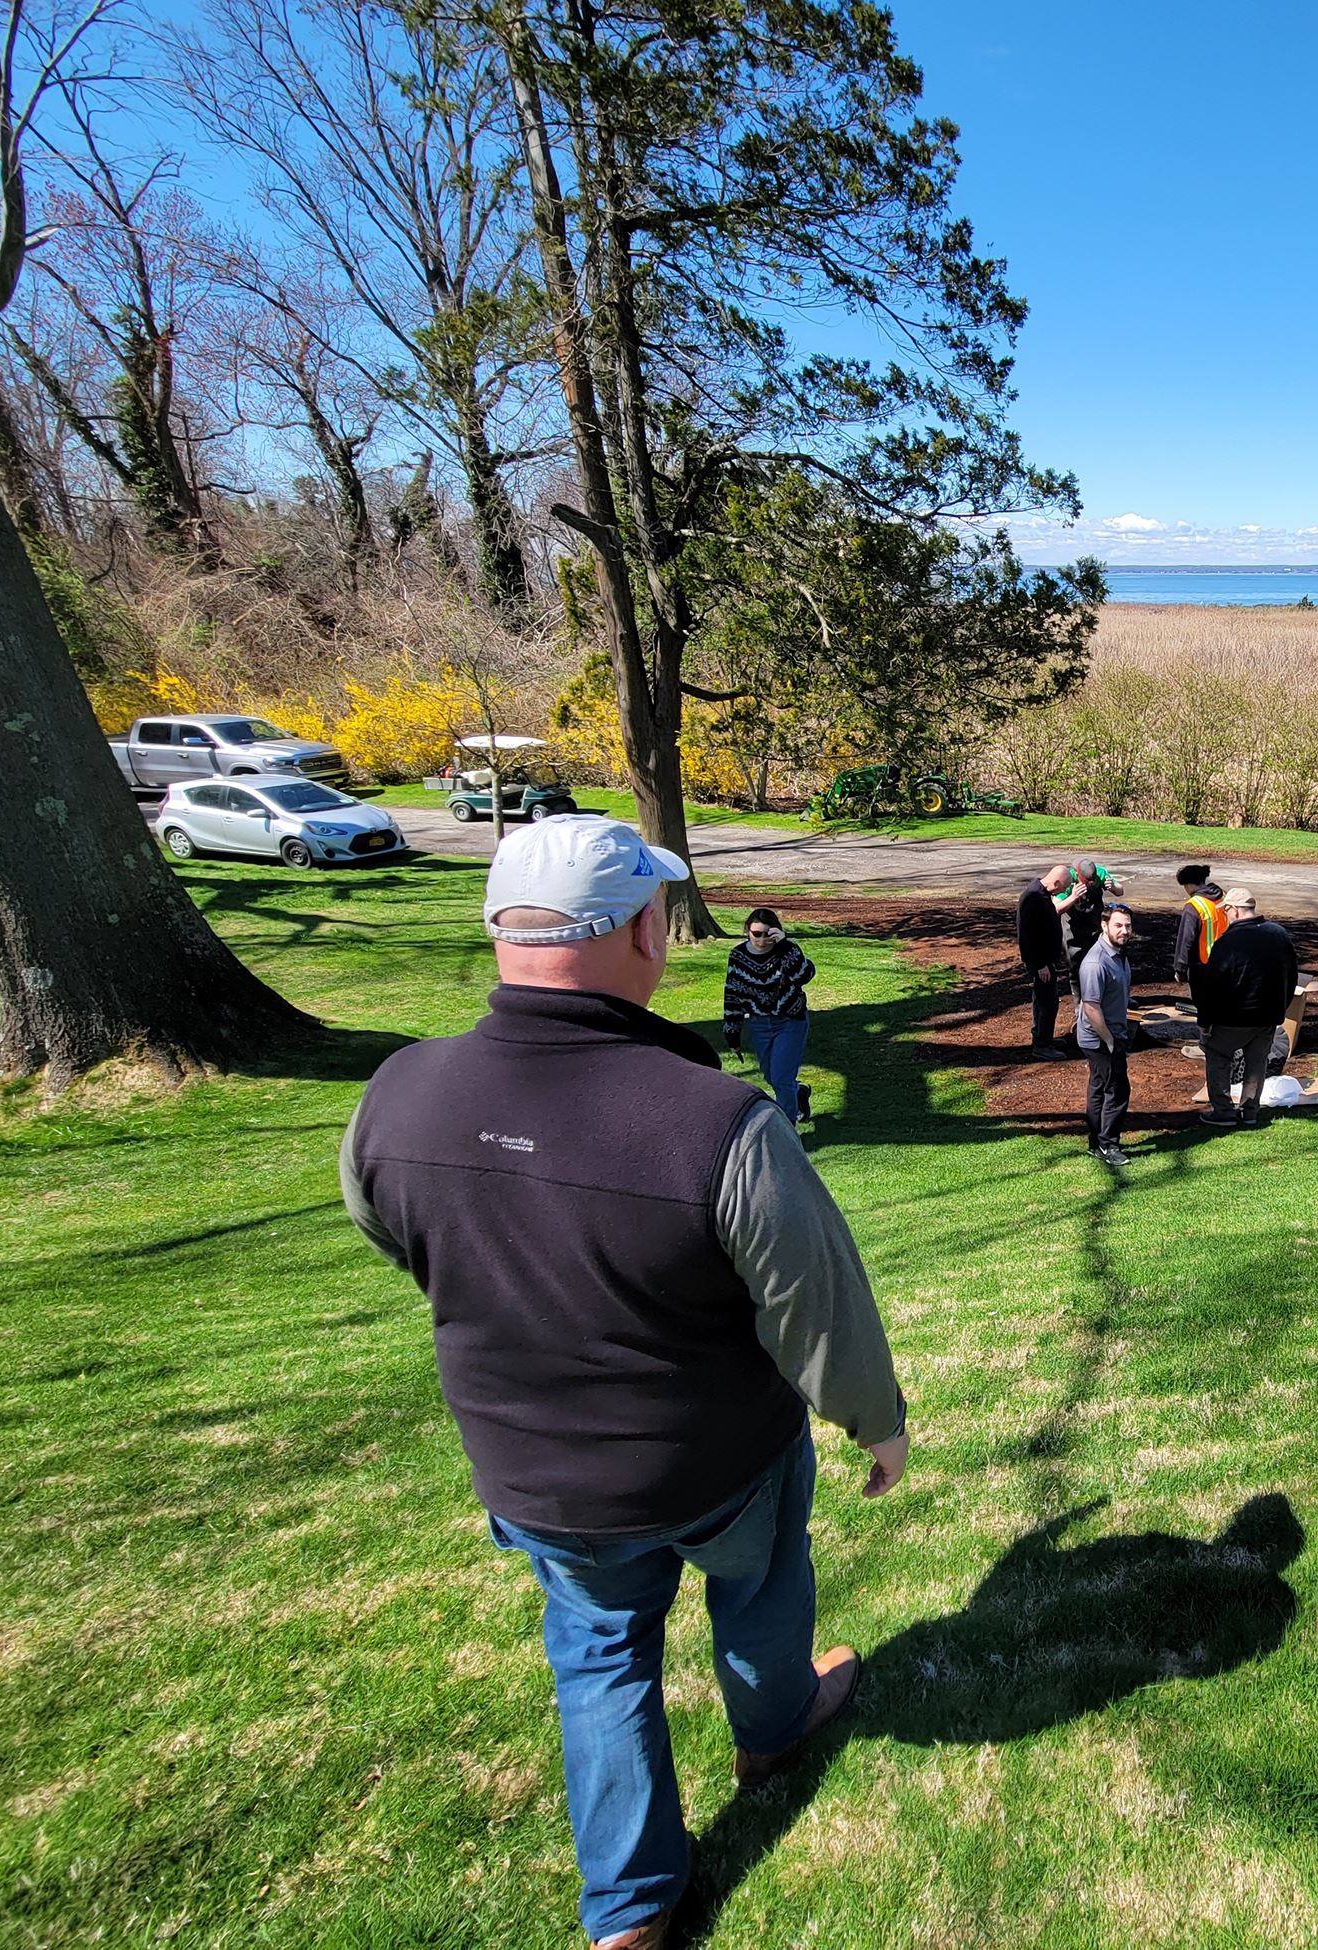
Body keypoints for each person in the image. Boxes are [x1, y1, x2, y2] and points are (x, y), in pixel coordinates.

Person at [338, 816, 908, 1950]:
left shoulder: (398, 1094)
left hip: (538, 1472)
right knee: (757, 1590)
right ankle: (775, 1728)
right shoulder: (717, 1121)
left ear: (502, 929)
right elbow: (813, 1299)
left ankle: (631, 1912)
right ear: (644, 932)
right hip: (719, 1459)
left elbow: (396, 1235)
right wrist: (872, 1420)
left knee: (599, 1660)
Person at [1195, 887, 1298, 1127]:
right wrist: (1281, 1006)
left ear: (1235, 910)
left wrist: (1205, 1021)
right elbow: (1291, 974)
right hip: (1268, 1015)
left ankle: (1222, 1111)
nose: (1226, 916)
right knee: (1257, 1062)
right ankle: (1249, 1111)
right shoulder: (1279, 935)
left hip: (1233, 1018)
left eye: (1226, 911)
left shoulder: (1228, 942)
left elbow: (1213, 986)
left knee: (1218, 1056)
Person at [723, 906, 817, 1125]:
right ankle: (799, 1093)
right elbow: (732, 994)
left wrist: (784, 946)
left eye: (767, 934)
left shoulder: (786, 951)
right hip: (759, 1024)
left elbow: (805, 975)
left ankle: (787, 1132)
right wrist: (732, 1032)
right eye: (756, 934)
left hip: (790, 1021)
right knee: (770, 1075)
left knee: (781, 1079)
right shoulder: (737, 956)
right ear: (747, 930)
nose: (762, 940)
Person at [1075, 902, 1137, 1164]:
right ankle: (1108, 1145)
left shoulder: (1118, 953)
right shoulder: (1095, 962)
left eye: (1128, 926)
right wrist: (1110, 1040)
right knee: (1117, 1089)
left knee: (1100, 1087)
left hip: (1111, 1033)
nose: (1124, 931)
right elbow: (1090, 1006)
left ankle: (1096, 1142)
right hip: (1100, 1038)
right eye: (1118, 925)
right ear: (1104, 926)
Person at [1015, 864, 1074, 1056]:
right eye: (1064, 888)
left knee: (1042, 1000)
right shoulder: (1033, 899)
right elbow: (1027, 935)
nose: (1063, 891)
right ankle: (1042, 1046)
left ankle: (1042, 1036)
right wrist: (1040, 964)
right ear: (1056, 882)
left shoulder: (1042, 894)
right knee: (1047, 1003)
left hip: (1046, 960)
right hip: (1040, 963)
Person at [1171, 863, 1228, 990]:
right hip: (1228, 960)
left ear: (1189, 885)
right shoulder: (1223, 896)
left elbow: (1186, 939)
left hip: (1204, 965)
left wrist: (1180, 969)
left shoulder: (1194, 906)